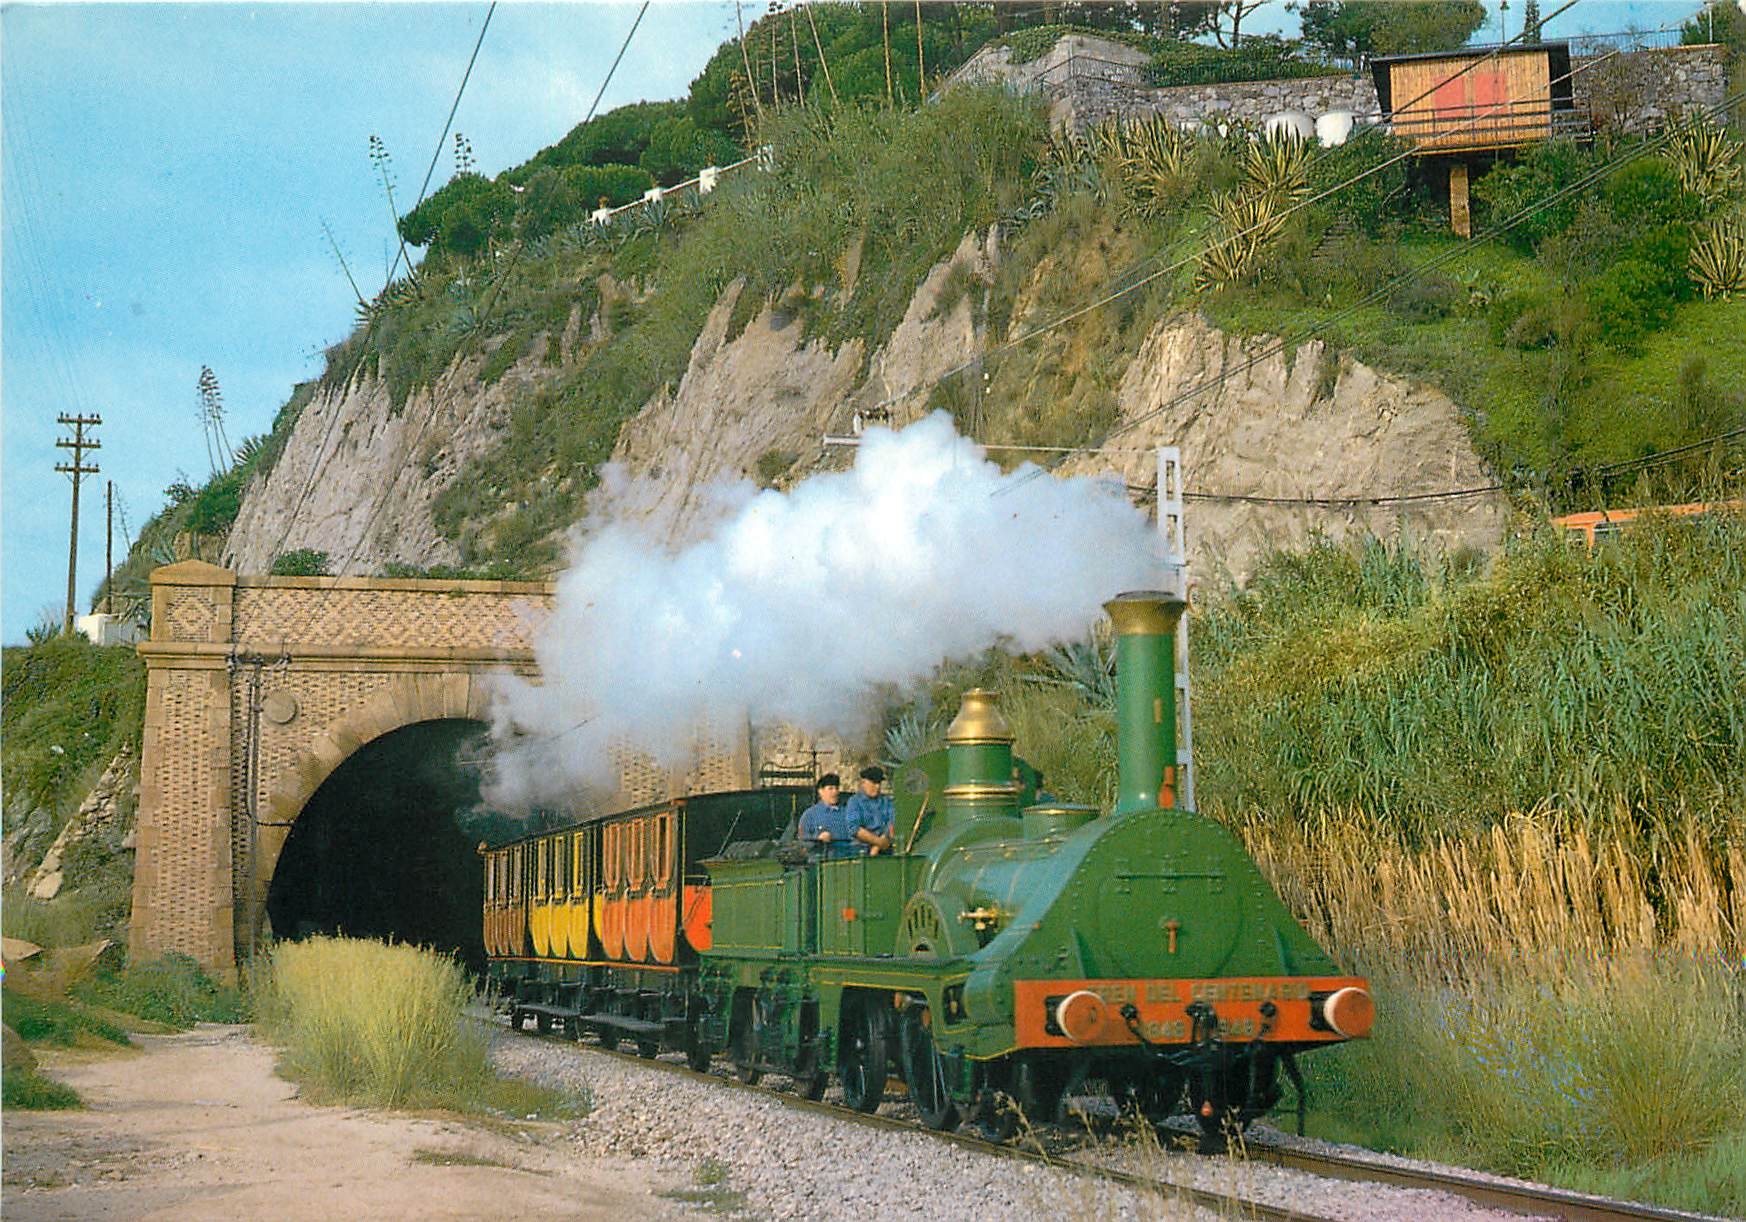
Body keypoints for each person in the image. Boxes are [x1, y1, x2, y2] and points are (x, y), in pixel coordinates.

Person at [798, 774, 855, 859]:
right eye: (830, 788)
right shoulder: (809, 815)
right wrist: (818, 839)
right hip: (819, 863)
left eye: (836, 788)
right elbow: (802, 845)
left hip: (847, 862)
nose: (835, 792)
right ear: (821, 791)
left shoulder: (848, 814)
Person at [843, 766, 895, 856]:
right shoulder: (854, 802)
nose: (877, 786)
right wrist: (877, 842)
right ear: (863, 783)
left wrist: (878, 845)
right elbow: (854, 828)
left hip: (885, 847)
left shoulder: (887, 801)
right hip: (861, 849)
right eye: (874, 783)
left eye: (879, 783)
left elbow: (892, 823)